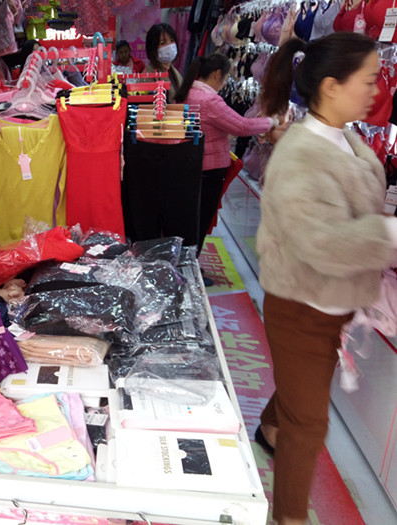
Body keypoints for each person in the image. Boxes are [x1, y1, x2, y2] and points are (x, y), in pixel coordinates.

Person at [255, 32, 397, 525]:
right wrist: (390, 232)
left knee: (302, 391)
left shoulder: (344, 139)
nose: (377, 90)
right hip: (302, 306)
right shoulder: (300, 157)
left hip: (330, 304)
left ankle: (269, 425)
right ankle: (288, 517)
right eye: (369, 80)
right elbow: (324, 244)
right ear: (332, 86)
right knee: (309, 424)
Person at [174, 53, 282, 260]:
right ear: (217, 75)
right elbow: (242, 126)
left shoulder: (188, 93)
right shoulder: (209, 100)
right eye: (225, 77)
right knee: (201, 219)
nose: (224, 83)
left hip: (193, 165)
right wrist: (271, 122)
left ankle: (186, 261)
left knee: (192, 218)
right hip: (209, 169)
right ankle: (190, 261)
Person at [144, 23, 183, 99]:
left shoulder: (172, 70)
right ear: (153, 49)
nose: (169, 46)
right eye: (163, 43)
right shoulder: (148, 75)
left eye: (172, 40)